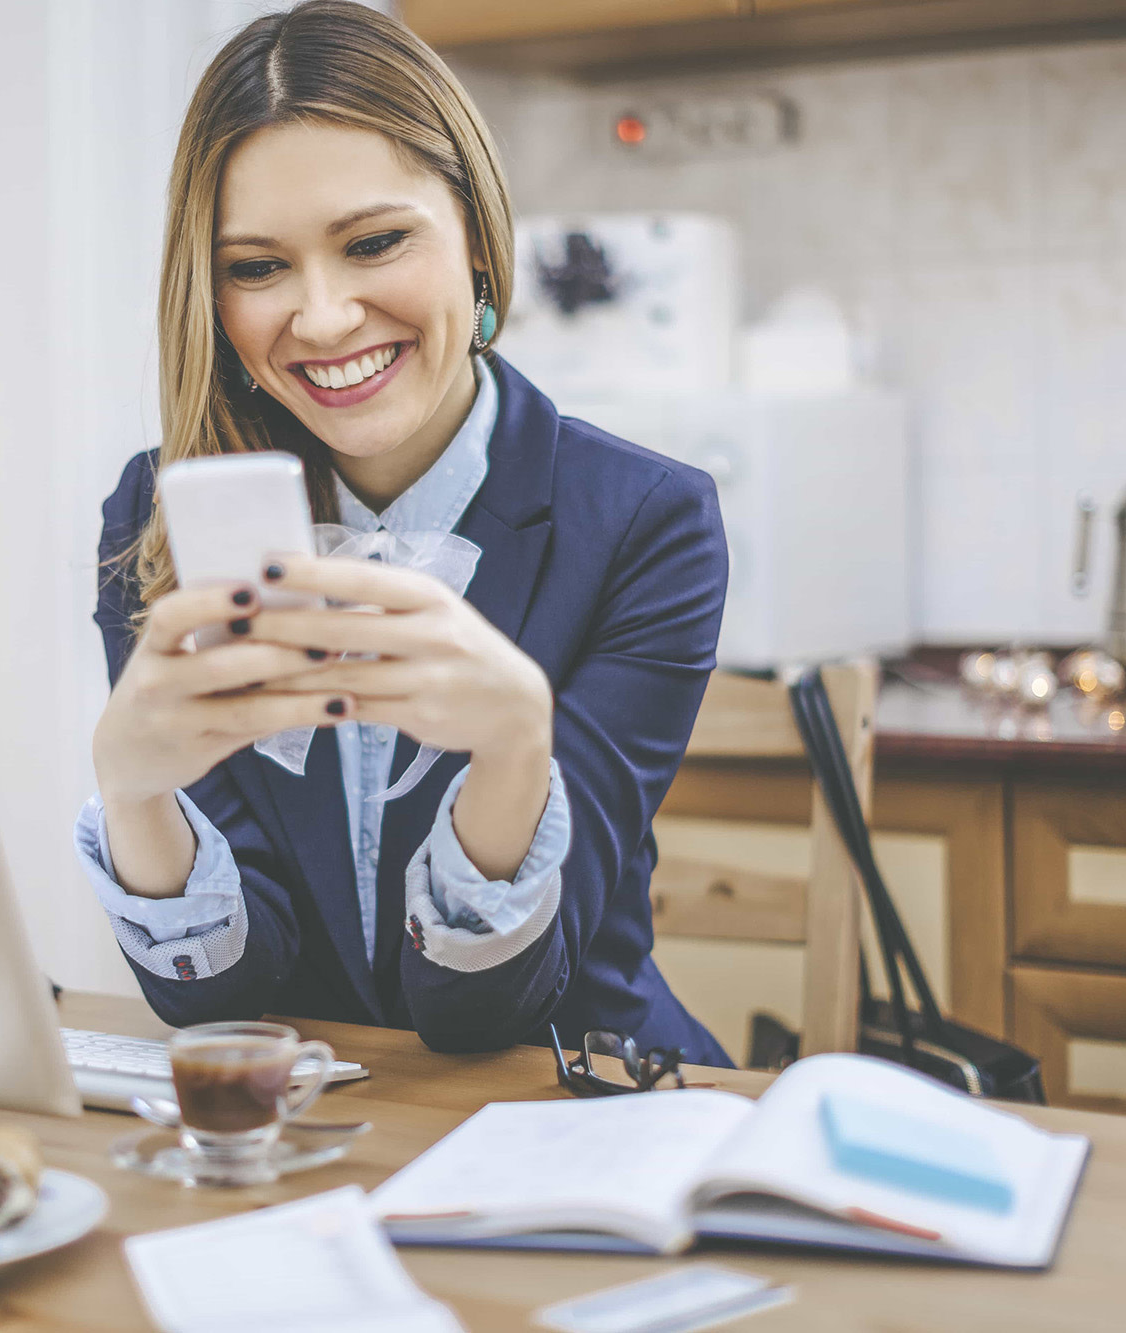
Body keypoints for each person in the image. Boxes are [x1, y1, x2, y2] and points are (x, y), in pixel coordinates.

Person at [75, 0, 731, 1066]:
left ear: (475, 236)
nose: (323, 317)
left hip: (575, 1100)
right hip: (318, 1128)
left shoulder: (646, 521)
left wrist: (515, 743)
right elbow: (216, 1004)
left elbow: (489, 1013)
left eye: (373, 242)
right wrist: (134, 792)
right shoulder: (158, 522)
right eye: (256, 267)